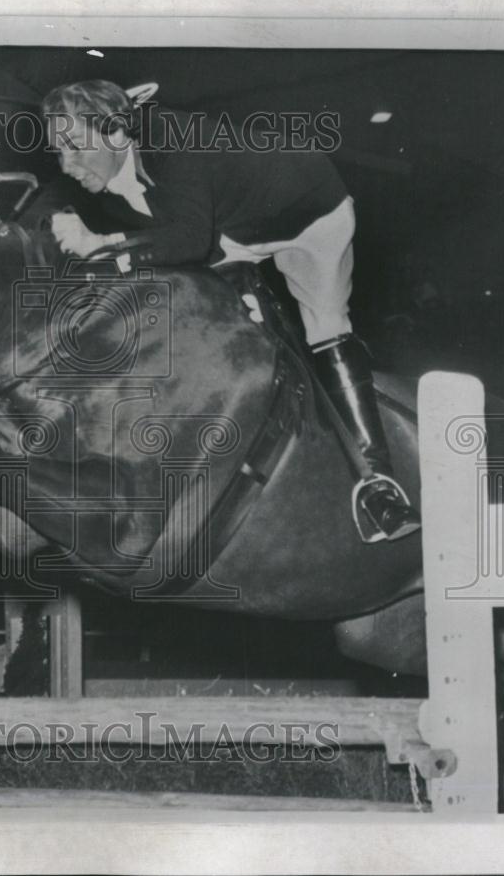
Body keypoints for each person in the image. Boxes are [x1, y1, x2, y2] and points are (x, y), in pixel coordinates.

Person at [40, 79, 419, 542]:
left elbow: (190, 240)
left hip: (309, 213)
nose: (67, 163)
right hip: (230, 226)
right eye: (58, 151)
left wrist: (105, 245)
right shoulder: (115, 143)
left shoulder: (177, 142)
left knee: (325, 326)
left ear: (118, 135)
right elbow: (62, 194)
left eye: (75, 149)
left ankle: (378, 483)